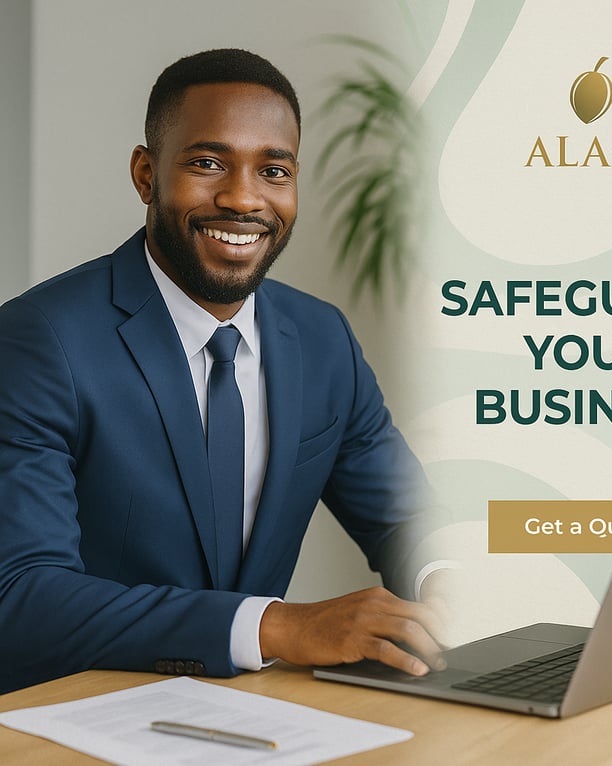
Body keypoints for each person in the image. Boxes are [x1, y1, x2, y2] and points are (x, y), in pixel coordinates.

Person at [0, 48, 446, 694]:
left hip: (250, 714)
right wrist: (272, 627)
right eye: (208, 163)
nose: (242, 198)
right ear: (146, 174)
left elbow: (404, 516)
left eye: (273, 170)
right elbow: (21, 594)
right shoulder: (39, 340)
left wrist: (448, 580)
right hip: (71, 713)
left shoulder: (323, 339)